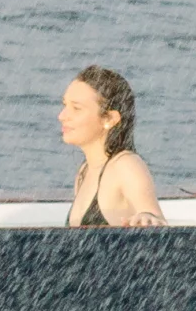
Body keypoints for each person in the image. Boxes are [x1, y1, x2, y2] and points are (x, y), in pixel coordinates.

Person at [60, 66, 162, 227]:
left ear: (109, 119)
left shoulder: (126, 165)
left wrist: (146, 216)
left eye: (76, 108)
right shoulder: (85, 171)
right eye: (64, 105)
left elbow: (154, 219)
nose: (62, 116)